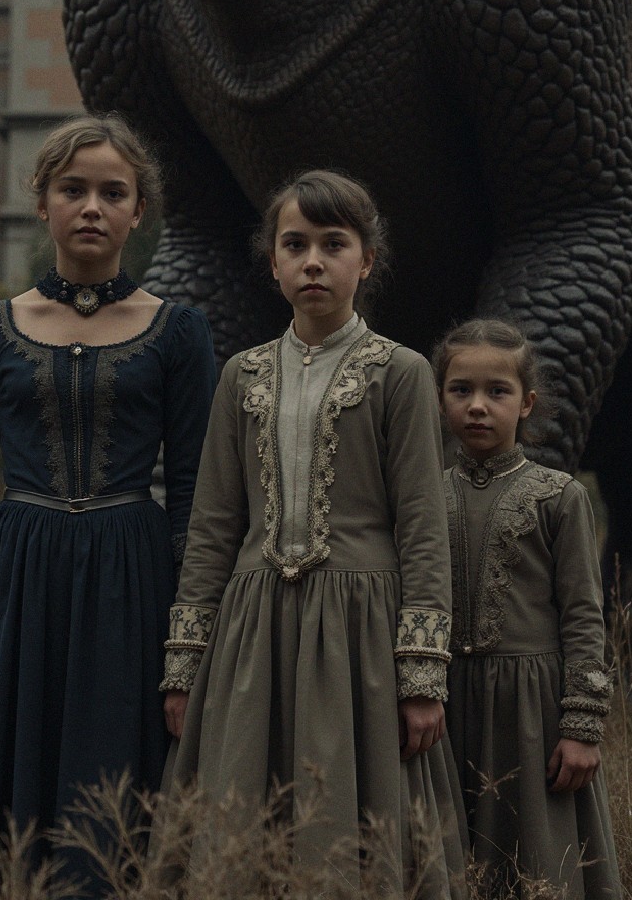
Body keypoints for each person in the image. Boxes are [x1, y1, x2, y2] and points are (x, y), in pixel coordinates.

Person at [0, 115, 217, 898]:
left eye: (112, 193)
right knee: (1, 780)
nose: (91, 206)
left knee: (117, 777)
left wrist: (188, 636)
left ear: (137, 211)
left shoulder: (179, 333)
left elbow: (197, 492)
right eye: (72, 189)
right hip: (15, 580)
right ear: (42, 201)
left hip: (132, 581)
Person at [161, 169, 467, 898]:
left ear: (367, 259)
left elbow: (424, 523)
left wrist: (422, 669)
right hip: (253, 630)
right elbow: (212, 527)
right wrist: (184, 664)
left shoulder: (401, 373)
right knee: (244, 810)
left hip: (359, 632)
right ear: (272, 262)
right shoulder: (241, 375)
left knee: (349, 821)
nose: (313, 261)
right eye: (294, 244)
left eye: (334, 244)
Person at [433, 318, 621, 899]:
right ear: (439, 398)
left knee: (535, 850)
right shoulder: (421, 493)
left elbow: (585, 615)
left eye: (498, 391)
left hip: (530, 710)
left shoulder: (559, 496)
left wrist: (582, 725)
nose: (478, 407)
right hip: (442, 702)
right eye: (460, 390)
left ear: (527, 402)